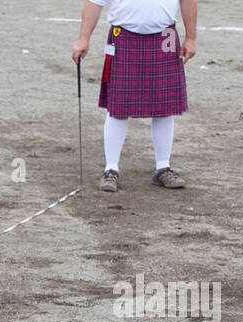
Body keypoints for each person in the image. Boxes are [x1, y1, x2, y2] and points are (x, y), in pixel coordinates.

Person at [72, 0, 197, 192]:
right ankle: (111, 169)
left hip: (166, 36)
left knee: (165, 107)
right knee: (118, 108)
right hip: (123, 36)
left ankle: (163, 167)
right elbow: (94, 2)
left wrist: (191, 38)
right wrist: (83, 39)